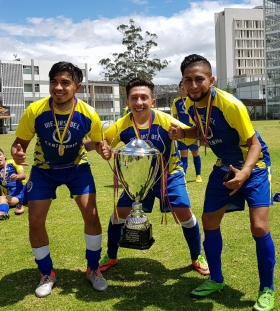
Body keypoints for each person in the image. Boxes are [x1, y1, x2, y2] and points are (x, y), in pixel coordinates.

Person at [168, 54, 275, 311]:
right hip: (223, 167)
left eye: (199, 79)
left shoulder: (229, 104)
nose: (193, 85)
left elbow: (254, 144)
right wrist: (183, 133)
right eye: (188, 80)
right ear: (182, 82)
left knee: (259, 227)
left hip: (255, 165)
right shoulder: (184, 105)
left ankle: (267, 289)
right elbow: (201, 133)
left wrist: (244, 173)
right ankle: (216, 280)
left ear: (211, 80)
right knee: (209, 222)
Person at [11, 61, 110, 298]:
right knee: (35, 221)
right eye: (53, 82)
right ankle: (47, 274)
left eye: (65, 82)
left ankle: (93, 269)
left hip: (77, 168)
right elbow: (19, 144)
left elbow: (98, 142)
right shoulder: (35, 110)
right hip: (44, 170)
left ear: (77, 86)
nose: (58, 87)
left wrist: (103, 149)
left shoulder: (89, 113)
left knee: (92, 216)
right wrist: (17, 152)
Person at [98, 77, 209, 276]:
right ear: (128, 102)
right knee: (118, 214)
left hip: (170, 176)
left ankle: (197, 256)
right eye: (134, 98)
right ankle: (111, 255)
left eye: (144, 97)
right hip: (139, 179)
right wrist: (104, 150)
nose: (139, 102)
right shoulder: (122, 124)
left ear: (152, 101)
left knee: (184, 212)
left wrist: (181, 135)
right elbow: (103, 143)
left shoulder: (165, 120)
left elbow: (194, 135)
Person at [171, 80, 202, 182]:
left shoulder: (193, 100)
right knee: (183, 155)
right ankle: (183, 176)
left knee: (195, 153)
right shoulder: (176, 101)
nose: (183, 88)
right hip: (182, 133)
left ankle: (198, 175)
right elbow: (174, 118)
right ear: (180, 88)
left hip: (193, 132)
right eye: (181, 86)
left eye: (185, 86)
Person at [0, 148, 26, 220]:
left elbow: (23, 176)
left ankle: (2, 213)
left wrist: (17, 176)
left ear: (4, 156)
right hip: (11, 197)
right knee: (2, 198)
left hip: (22, 192)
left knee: (2, 198)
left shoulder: (13, 162)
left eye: (0, 155)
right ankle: (19, 204)